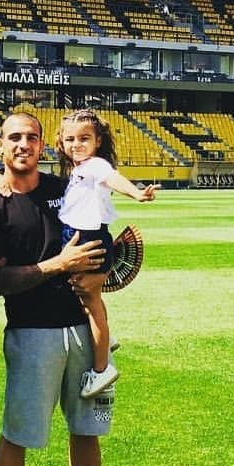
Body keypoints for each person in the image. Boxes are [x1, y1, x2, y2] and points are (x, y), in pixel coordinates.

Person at [0, 112, 132, 466]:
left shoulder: (61, 190)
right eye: (14, 137)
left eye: (31, 137)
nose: (24, 144)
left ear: (45, 144)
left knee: (88, 429)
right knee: (17, 435)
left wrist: (103, 273)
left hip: (84, 330)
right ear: (0, 144)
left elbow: (100, 231)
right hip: (32, 335)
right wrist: (59, 265)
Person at [56, 108, 157, 398]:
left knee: (90, 303)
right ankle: (106, 338)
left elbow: (113, 178)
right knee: (89, 299)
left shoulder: (95, 165)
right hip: (80, 235)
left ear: (98, 140)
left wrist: (137, 193)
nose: (76, 144)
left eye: (84, 138)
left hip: (89, 237)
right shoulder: (77, 169)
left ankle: (101, 370)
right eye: (70, 139)